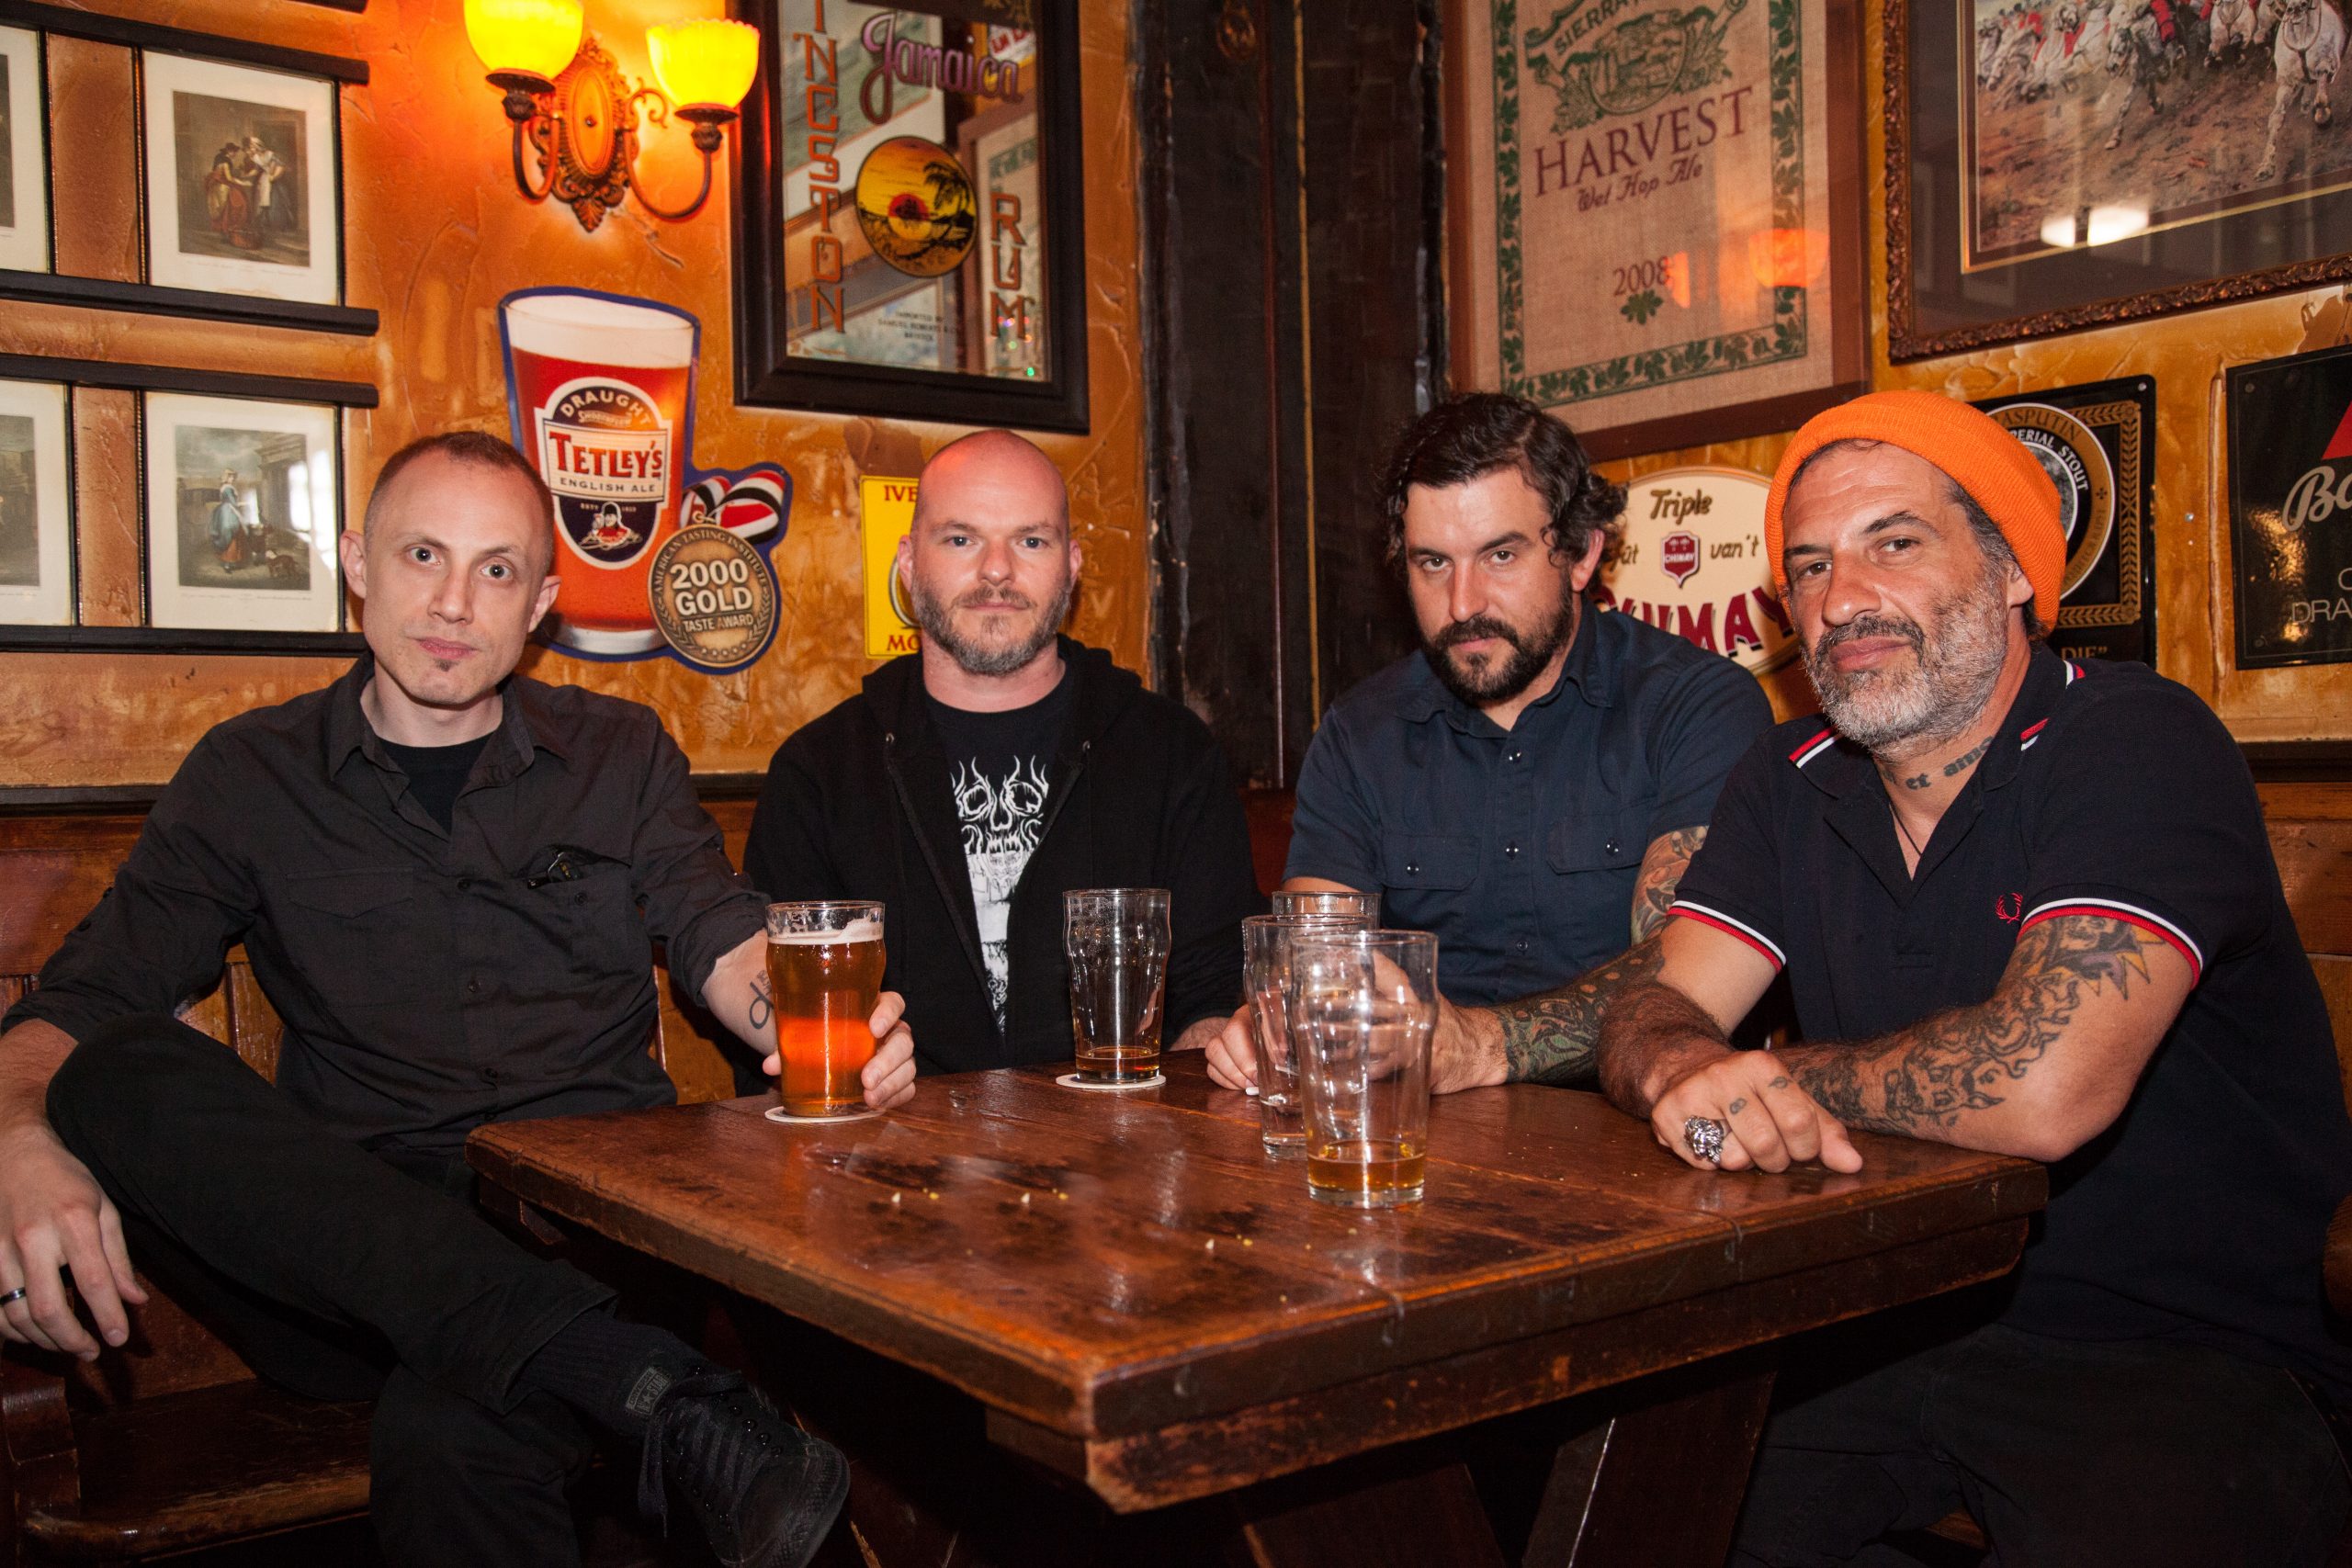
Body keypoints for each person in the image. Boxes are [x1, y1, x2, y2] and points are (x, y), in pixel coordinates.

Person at [0, 432, 916, 1568]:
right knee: (116, 1068)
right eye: (422, 554)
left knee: (452, 1436)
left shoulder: (618, 752)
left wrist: (816, 1027)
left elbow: (717, 932)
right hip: (341, 1271)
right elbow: (92, 994)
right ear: (357, 564)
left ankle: (615, 1372)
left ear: (541, 603)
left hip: (589, 1241)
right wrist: (15, 1138)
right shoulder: (251, 773)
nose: (452, 602)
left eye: (496, 569)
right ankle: (640, 1383)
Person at [1581, 390, 2352, 1565]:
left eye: (1894, 542)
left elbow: (2041, 1090)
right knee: (1620, 1505)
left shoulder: (2134, 739)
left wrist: (1766, 1087)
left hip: (2179, 1350)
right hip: (1881, 1318)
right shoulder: (1790, 772)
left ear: (2012, 573)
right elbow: (1655, 1000)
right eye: (1809, 567)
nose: (1843, 599)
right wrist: (1683, 1062)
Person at [1207, 392, 1772, 1095]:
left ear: (1581, 553)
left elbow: (1683, 980)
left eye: (1499, 555)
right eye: (1432, 563)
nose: (1463, 602)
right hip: (1418, 1134)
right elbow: (1316, 962)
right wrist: (1283, 1017)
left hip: (1638, 1130)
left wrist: (1479, 1046)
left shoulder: (1696, 707)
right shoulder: (1361, 732)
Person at [744, 429, 1260, 1074]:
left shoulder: (1173, 754)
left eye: (1031, 541)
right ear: (908, 562)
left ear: (1072, 565)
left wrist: (1201, 1075)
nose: (996, 570)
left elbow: (1215, 994)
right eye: (960, 539)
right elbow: (784, 1016)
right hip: (893, 1134)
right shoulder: (819, 773)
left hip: (1123, 1129)